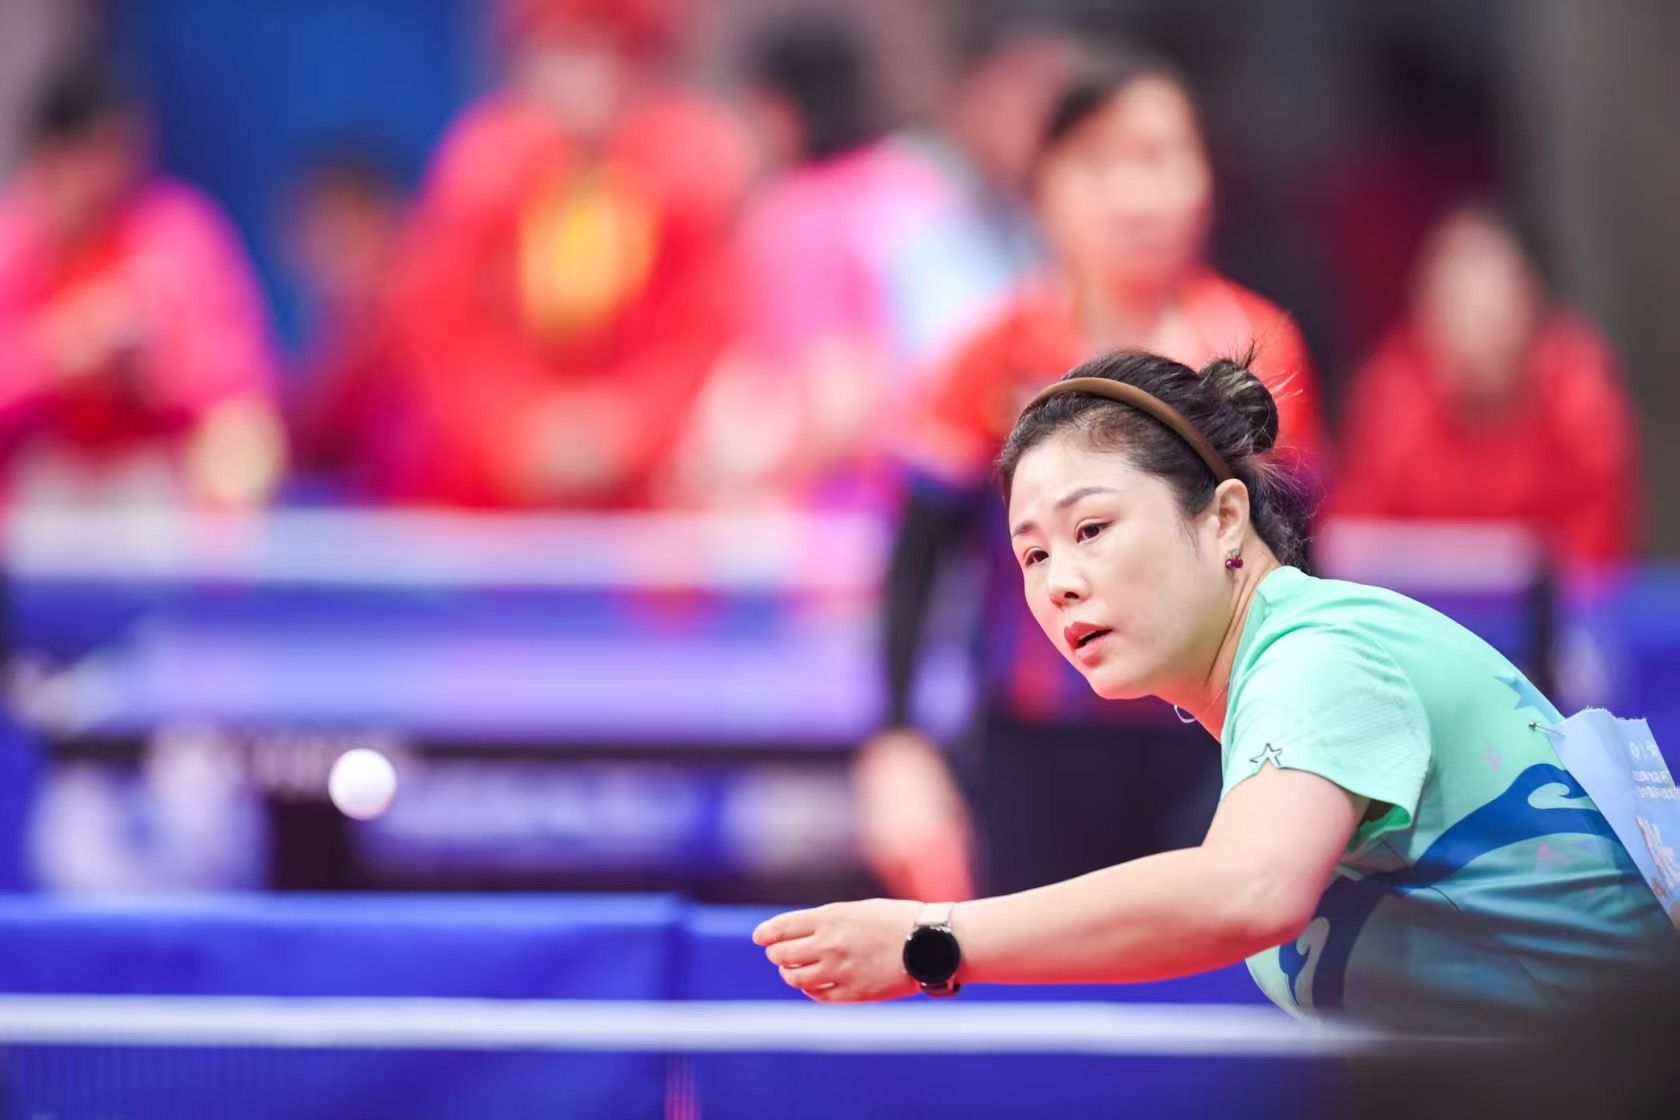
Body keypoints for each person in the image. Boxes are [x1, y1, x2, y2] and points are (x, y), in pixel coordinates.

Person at [755, 349, 1677, 1034]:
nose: (1059, 582)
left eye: (1092, 529)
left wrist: (933, 938)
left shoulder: (1323, 655)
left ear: (1226, 517)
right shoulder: (1277, 703)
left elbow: (1249, 890)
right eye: (1032, 555)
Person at [855, 52, 1325, 904]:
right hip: (1036, 749)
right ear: (1046, 189)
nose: (1136, 196)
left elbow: (1301, 560)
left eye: (1162, 158)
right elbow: (918, 553)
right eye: (1102, 164)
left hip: (1217, 740)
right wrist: (896, 740)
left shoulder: (1260, 345)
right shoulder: (993, 353)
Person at [385, 0, 751, 508]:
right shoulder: (479, 169)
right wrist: (514, 428)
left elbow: (703, 329)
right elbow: (440, 329)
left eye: (606, 51)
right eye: (562, 49)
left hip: (644, 501)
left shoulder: (690, 175)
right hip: (492, 499)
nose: (583, 74)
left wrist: (626, 428)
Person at [0, 60, 283, 507]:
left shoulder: (179, 233)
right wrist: (56, 352)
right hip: (35, 479)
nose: (104, 178)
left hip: (156, 479)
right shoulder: (13, 239)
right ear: (48, 158)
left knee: (243, 443)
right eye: (88, 157)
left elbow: (244, 381)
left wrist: (152, 368)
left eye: (119, 155)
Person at [1329, 203, 1636, 568]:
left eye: (1495, 308)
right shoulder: (1389, 398)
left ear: (1533, 304)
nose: (1480, 332)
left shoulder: (1580, 395)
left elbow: (1594, 558)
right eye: (1459, 304)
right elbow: (1361, 552)